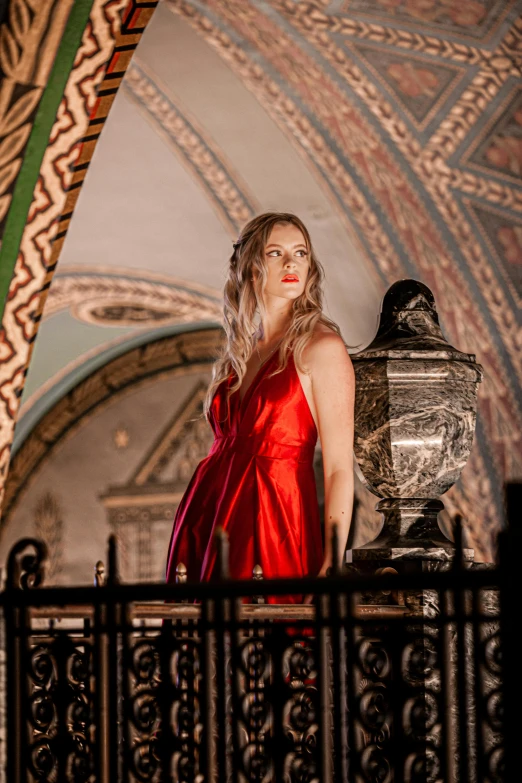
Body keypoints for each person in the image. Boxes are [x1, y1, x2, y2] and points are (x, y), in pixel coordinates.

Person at [165, 212, 355, 603]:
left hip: (274, 516)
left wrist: (332, 563)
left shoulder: (321, 348)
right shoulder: (241, 352)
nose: (291, 263)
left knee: (269, 644)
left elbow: (338, 467)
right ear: (252, 269)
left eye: (300, 253)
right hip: (208, 512)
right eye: (276, 253)